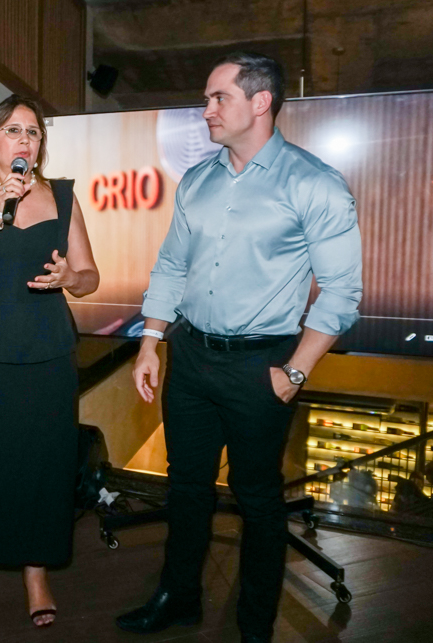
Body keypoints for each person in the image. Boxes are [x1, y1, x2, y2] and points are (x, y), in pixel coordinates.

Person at [119, 52, 362, 643]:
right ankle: (179, 597)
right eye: (207, 98)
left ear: (260, 102)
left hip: (263, 364)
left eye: (217, 98)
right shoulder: (197, 180)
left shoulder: (314, 183)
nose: (205, 110)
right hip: (190, 356)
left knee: (258, 500)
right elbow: (171, 266)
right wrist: (150, 341)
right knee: (186, 487)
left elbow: (341, 291)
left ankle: (255, 624)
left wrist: (295, 371)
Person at [0, 94, 100, 630]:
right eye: (12, 130)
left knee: (44, 464)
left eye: (32, 131)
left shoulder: (63, 196)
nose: (24, 139)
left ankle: (37, 572)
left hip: (45, 351)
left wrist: (69, 279)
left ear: (40, 144)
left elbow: (89, 276)